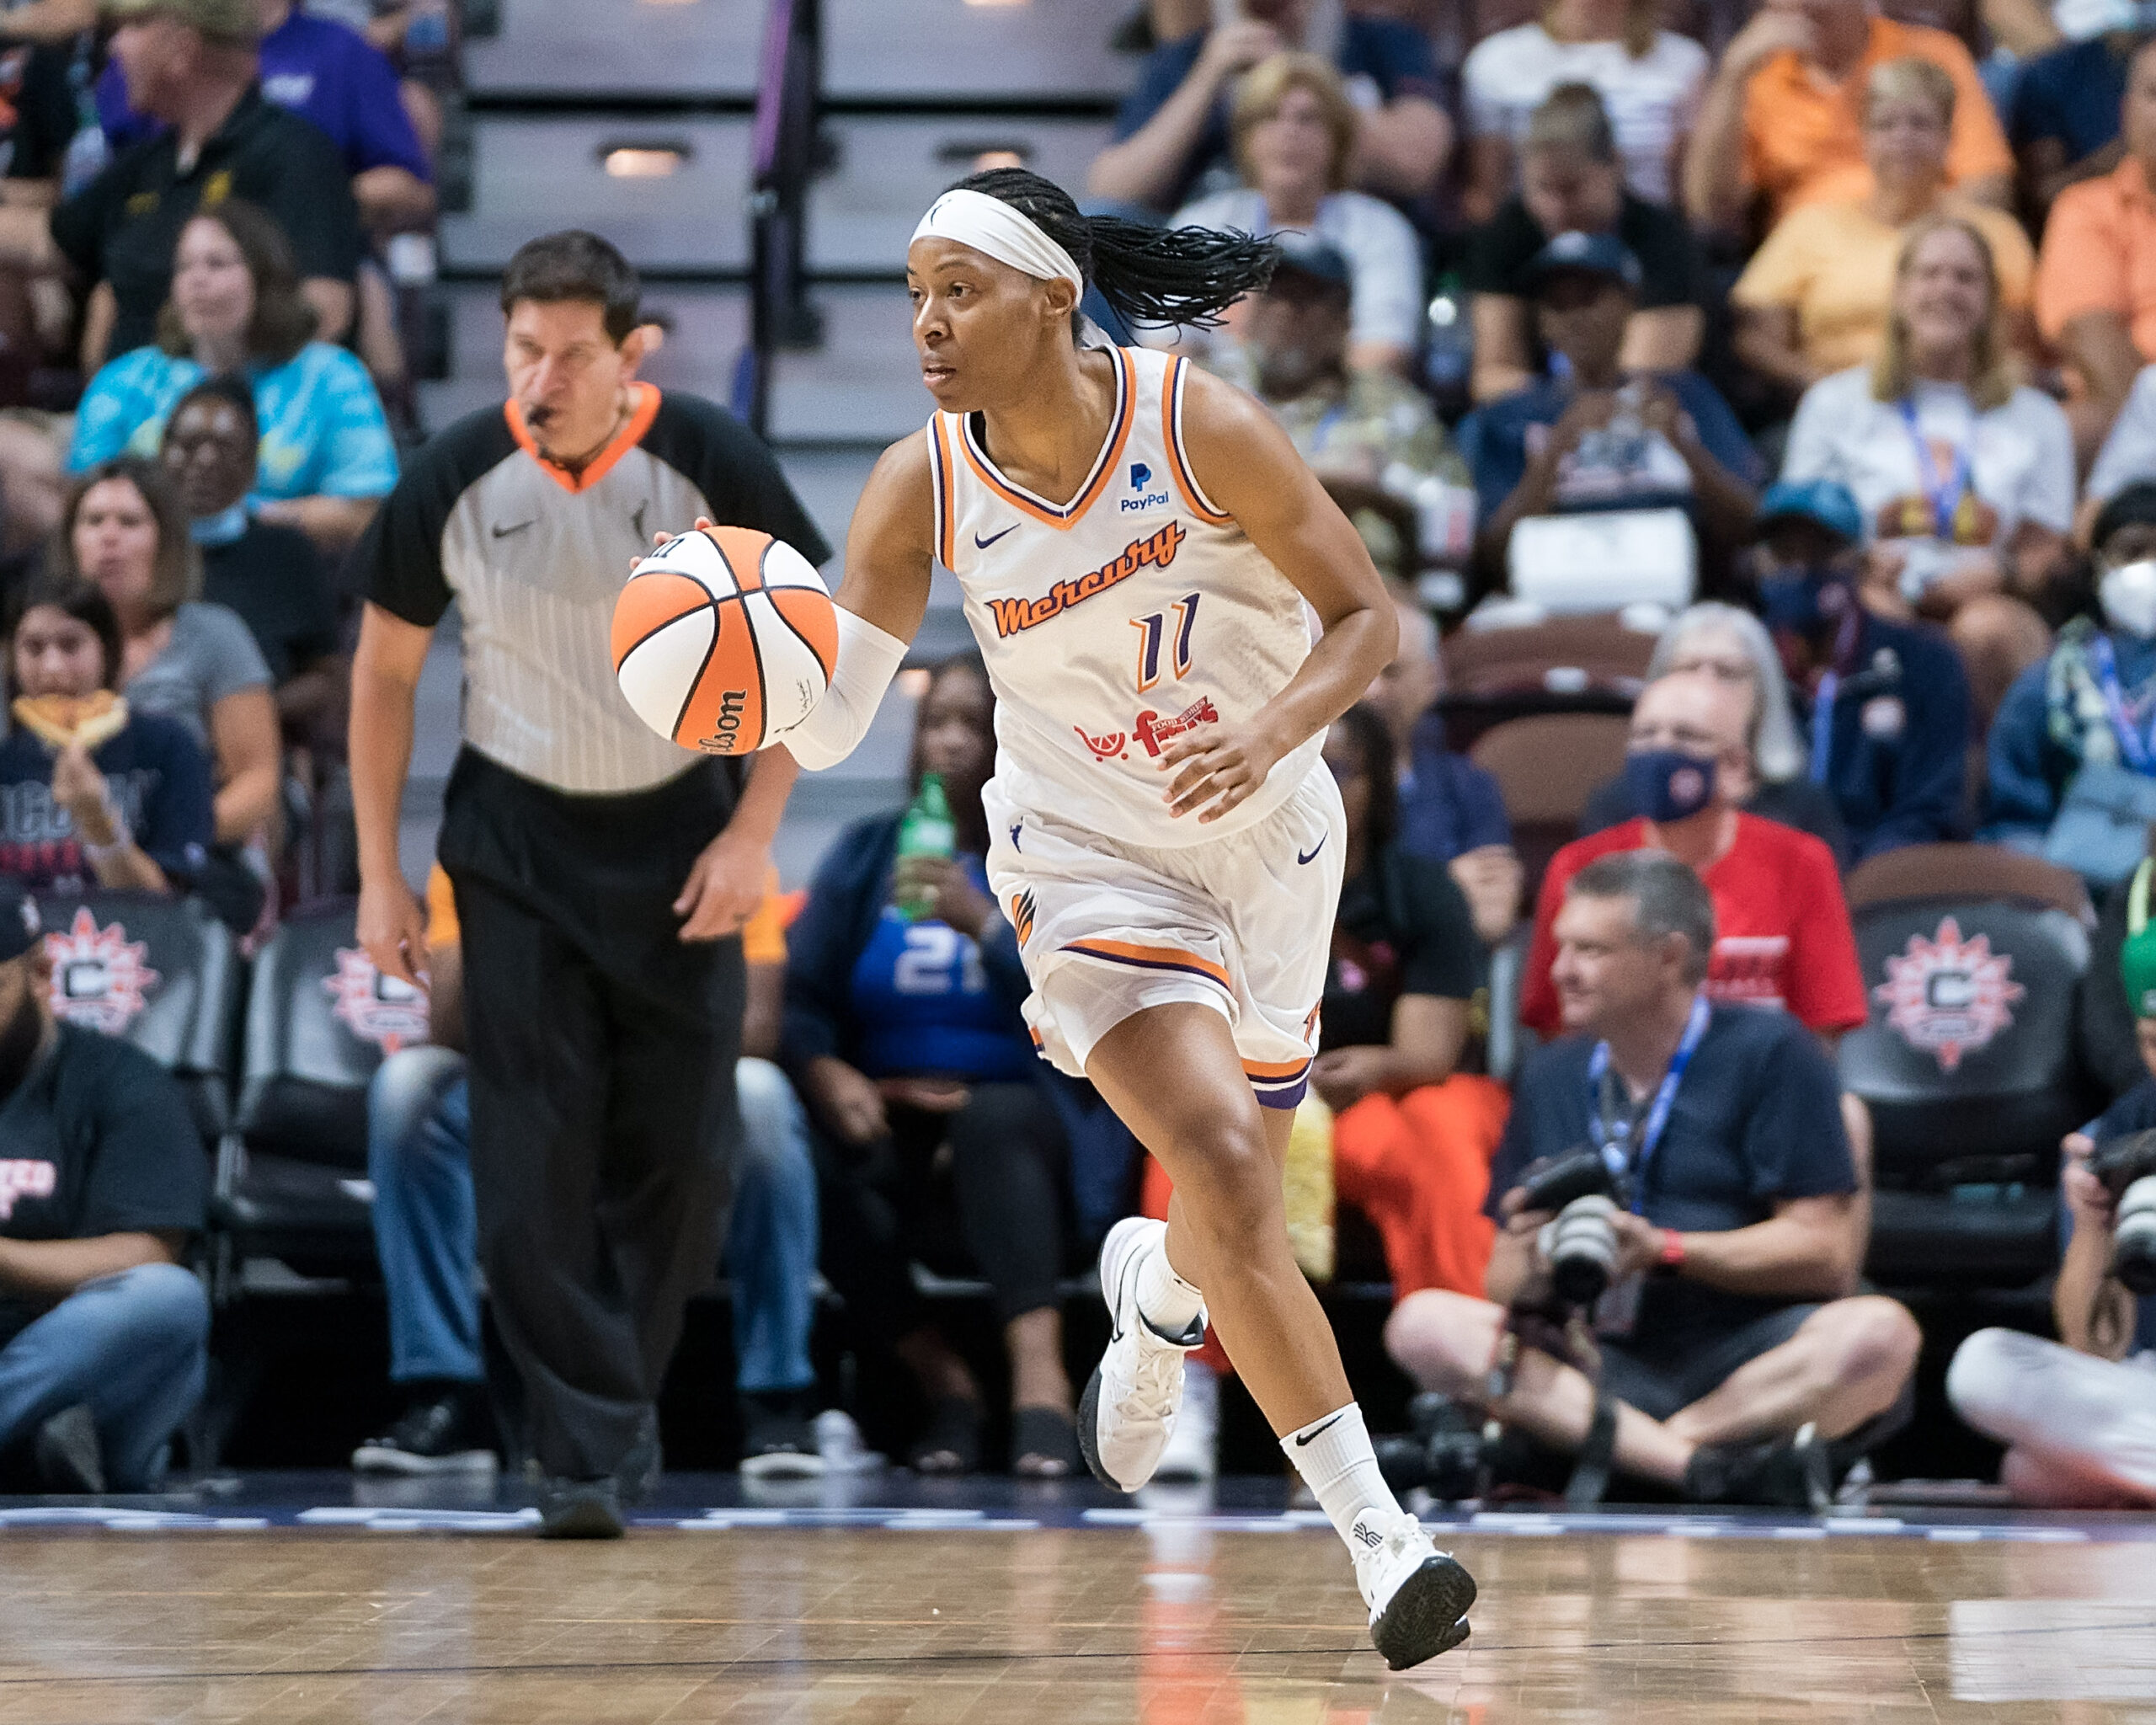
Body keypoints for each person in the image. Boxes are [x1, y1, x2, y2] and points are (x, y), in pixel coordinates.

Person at [778, 168, 1475, 1666]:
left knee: (1230, 1191)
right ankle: (1384, 1538)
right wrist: (749, 692)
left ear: (1052, 296)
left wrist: (1275, 728)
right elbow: (836, 717)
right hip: (1086, 854)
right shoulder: (921, 484)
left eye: (958, 291)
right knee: (1225, 1152)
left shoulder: (1193, 421)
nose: (928, 324)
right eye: (913, 295)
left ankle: (1157, 1295)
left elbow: (1370, 623)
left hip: (1271, 827)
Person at [348, 231, 830, 1538]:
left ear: (632, 354)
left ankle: (612, 1407)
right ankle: (581, 1449)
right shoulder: (455, 470)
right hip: (512, 838)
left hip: (684, 830)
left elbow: (814, 658)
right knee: (529, 1151)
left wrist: (754, 835)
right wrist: (379, 875)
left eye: (572, 354)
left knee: (681, 1151)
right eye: (523, 349)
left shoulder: (711, 458)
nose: (543, 375)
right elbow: (384, 677)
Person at [1385, 852, 1921, 1506]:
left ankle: (1627, 1454)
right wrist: (1532, 1257)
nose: (1560, 971)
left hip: (1746, 1359)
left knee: (1882, 1335)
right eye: (1560, 947)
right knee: (1423, 1323)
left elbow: (1825, 1255)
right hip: (1597, 1359)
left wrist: (1665, 1250)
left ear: (1669, 956)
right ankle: (1701, 1471)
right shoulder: (1553, 1072)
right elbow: (1498, 1280)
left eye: (1590, 950)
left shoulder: (1775, 1051)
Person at [354, 867, 828, 1478]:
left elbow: (757, 1029)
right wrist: (493, 898)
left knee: (759, 1096)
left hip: (665, 1093)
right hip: (530, 1092)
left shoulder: (715, 843)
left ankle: (777, 1398)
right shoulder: (487, 839)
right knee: (406, 1089)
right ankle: (445, 1393)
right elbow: (447, 1025)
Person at [783, 655, 1084, 1478]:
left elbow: (1085, 999)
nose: (950, 740)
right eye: (935, 722)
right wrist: (827, 1073)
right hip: (889, 1104)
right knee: (807, 1161)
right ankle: (942, 1379)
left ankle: (1039, 1384)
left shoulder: (1049, 856)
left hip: (1020, 1109)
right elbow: (802, 997)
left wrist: (982, 924)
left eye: (972, 723)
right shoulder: (866, 851)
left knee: (995, 1123)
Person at [1780, 217, 2073, 723]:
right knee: (1879, 625)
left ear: (1990, 300)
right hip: (1868, 588)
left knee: (1990, 631)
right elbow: (1797, 531)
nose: (1946, 289)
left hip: (1987, 596)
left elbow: (2046, 547)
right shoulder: (1833, 403)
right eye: (1929, 273)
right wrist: (1861, 567)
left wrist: (1999, 572)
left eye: (1965, 277)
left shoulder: (2038, 417)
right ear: (1898, 292)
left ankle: (2000, 797)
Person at [0, 877, 213, 1493]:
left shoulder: (122, 1082)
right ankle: (32, 1446)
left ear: (42, 972)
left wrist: (4, 1262)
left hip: (71, 1351)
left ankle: (48, 1436)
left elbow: (147, 1252)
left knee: (166, 1301)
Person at [1520, 670, 1868, 1039]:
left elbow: (1823, 1027)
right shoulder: (1579, 867)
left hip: (1759, 1084)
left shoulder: (1801, 862)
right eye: (1645, 735)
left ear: (1735, 768)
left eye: (1685, 736)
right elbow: (1556, 1027)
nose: (1660, 750)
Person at [1947, 900, 2156, 1506]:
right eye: (2149, 1040)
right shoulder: (2125, 1127)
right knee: (1983, 1366)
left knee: (2040, 1473)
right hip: (2144, 1388)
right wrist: (2093, 1230)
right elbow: (2094, 1349)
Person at [26, 0, 364, 370]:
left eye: (135, 26)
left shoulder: (293, 154)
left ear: (181, 50)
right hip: (126, 407)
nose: (116, 45)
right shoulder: (149, 162)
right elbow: (47, 239)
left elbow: (325, 311)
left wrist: (217, 395)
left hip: (231, 412)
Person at [69, 200, 399, 556]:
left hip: (281, 569)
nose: (197, 280)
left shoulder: (332, 375)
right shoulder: (125, 378)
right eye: (184, 267)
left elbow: (365, 510)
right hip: (148, 572)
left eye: (217, 263)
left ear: (264, 276)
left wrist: (239, 520)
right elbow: (84, 493)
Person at [49, 457, 276, 933]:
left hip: (187, 860)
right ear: (71, 539)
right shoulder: (41, 646)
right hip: (52, 855)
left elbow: (258, 782)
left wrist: (166, 834)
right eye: (93, 521)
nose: (108, 536)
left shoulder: (215, 634)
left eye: (129, 522)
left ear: (166, 542)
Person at [1463, 232, 1759, 585]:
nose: (1576, 318)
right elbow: (1492, 554)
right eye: (1558, 305)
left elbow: (1752, 526)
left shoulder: (1685, 395)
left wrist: (1683, 447)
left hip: (1678, 590)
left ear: (1628, 303)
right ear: (1541, 321)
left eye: (1589, 299)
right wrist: (1558, 448)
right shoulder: (1509, 415)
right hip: (1552, 592)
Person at [1732, 57, 2036, 399]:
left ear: (1949, 137)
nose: (1902, 138)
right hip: (1837, 408)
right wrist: (1823, 389)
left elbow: (2018, 347)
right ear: (1862, 137)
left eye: (1920, 124)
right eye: (1885, 125)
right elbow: (1756, 338)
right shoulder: (1810, 226)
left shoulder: (1995, 233)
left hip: (1963, 407)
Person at [1746, 480, 1973, 861]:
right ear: (1758, 563)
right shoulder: (1740, 667)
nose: (1802, 567)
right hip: (1767, 875)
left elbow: (1931, 808)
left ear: (1861, 562)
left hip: (1880, 884)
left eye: (1822, 551)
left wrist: (1857, 881)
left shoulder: (1926, 664)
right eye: (1785, 553)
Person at [1170, 54, 1425, 376]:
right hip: (1221, 406)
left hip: (1340, 408)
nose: (1289, 133)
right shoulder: (1198, 225)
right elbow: (1166, 346)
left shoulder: (1380, 228)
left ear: (1338, 137)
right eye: (1270, 118)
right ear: (1245, 138)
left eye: (1308, 119)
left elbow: (1385, 351)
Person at [98, 0, 435, 234]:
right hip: (165, 244)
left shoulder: (341, 50)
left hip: (312, 249)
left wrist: (291, 200)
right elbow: (122, 169)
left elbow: (407, 187)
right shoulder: (151, 44)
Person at [1086, 0, 1453, 215]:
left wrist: (1301, 78)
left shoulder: (1381, 42)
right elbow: (1109, 189)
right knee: (1097, 221)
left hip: (1342, 235)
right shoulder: (1193, 56)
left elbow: (1417, 163)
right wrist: (1207, 78)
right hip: (1214, 238)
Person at [1464, 83, 1705, 406]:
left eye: (1571, 189)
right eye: (1543, 189)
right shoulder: (1506, 235)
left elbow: (1646, 383)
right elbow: (1491, 377)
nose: (1556, 210)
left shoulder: (1662, 240)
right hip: (1538, 420)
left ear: (1615, 166)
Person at [1682, 0, 2011, 237]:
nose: (1804, 6)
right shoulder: (1759, 79)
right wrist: (1732, 75)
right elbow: (1710, 207)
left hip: (1922, 246)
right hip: (1811, 262)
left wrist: (1902, 234)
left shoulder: (1934, 54)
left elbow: (1986, 187)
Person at [1577, 600, 1851, 857]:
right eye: (1688, 669)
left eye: (1728, 672)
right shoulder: (1614, 807)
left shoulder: (1805, 807)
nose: (1706, 685)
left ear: (1762, 693)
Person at [1207, 236, 1466, 505]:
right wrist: (1322, 478)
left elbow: (1451, 511)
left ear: (1343, 318)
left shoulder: (1394, 410)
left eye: (1301, 298)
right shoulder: (1208, 395)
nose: (1283, 311)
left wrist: (1385, 481)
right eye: (1271, 296)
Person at [0, 571, 211, 895]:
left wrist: (99, 822)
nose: (52, 668)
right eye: (34, 647)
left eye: (70, 645)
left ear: (108, 651)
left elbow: (170, 907)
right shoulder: (5, 757)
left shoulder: (166, 745)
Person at [157, 376, 342, 738]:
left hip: (253, 743)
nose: (206, 461)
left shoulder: (288, 552)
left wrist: (242, 712)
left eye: (225, 447)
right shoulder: (130, 542)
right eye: (190, 445)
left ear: (253, 464)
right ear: (163, 455)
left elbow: (329, 678)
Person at [1986, 483, 2156, 857]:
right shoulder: (2047, 687)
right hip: (2077, 885)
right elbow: (2013, 821)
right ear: (2097, 568)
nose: (2150, 568)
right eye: (2133, 551)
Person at [1364, 596, 1523, 945]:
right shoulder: (1301, 784)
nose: (1373, 690)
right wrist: (1444, 886)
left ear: (1433, 680)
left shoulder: (1471, 787)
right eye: (1360, 668)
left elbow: (1491, 919)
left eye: (1392, 671)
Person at [1460, 0, 1708, 216]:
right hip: (1530, 242)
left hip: (1648, 242)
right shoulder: (1494, 60)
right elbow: (1486, 195)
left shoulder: (1686, 62)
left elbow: (1692, 201)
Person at [2033, 36, 2156, 466]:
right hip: (2133, 418)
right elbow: (2099, 346)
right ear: (2126, 115)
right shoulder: (2085, 209)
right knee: (2071, 431)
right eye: (2155, 94)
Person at [2011, 23, 2136, 220]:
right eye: (2153, 93)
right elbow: (2044, 195)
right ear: (2126, 105)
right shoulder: (2052, 74)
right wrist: (2125, 156)